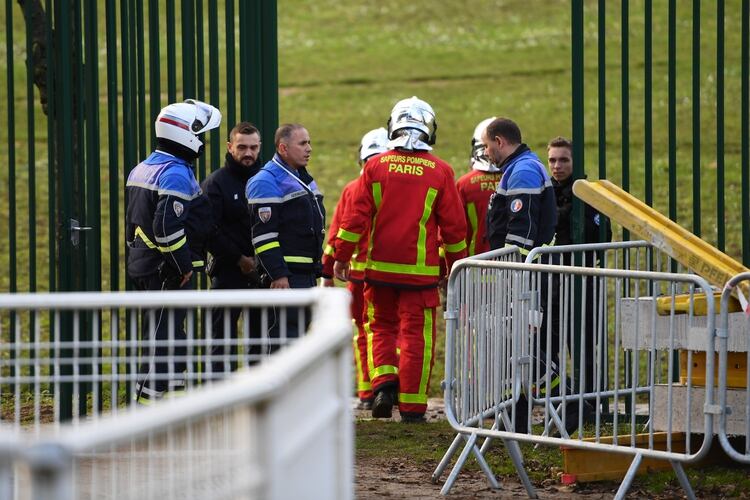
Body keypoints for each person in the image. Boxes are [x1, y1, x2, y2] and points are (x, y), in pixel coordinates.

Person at [333, 97, 467, 423]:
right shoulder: (441, 172)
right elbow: (454, 228)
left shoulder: (375, 167)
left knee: (380, 328)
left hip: (378, 271)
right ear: (428, 129)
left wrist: (340, 257)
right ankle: (412, 408)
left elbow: (354, 220)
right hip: (420, 275)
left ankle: (384, 384)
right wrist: (456, 266)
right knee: (416, 337)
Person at [125, 99, 221, 404]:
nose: (203, 141)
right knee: (163, 340)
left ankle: (169, 405)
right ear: (185, 133)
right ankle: (146, 410)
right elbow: (166, 227)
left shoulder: (145, 167)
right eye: (200, 134)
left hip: (145, 264)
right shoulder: (175, 173)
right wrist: (182, 265)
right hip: (165, 271)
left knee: (169, 337)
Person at [483, 117, 558, 433]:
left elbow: (521, 231)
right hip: (522, 274)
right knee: (516, 348)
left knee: (524, 349)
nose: (486, 153)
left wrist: (510, 270)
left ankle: (568, 399)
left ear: (500, 141)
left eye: (487, 146)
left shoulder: (523, 171)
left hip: (522, 276)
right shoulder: (520, 167)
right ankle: (516, 417)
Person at [322, 127, 389, 410]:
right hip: (389, 273)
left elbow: (338, 231)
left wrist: (327, 272)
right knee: (391, 330)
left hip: (356, 276)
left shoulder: (353, 189)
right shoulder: (399, 186)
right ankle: (390, 384)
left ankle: (367, 392)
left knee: (364, 333)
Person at [245, 124, 325, 349]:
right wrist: (278, 275)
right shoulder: (266, 181)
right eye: (302, 143)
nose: (309, 148)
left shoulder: (302, 177)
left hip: (304, 275)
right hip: (286, 279)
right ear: (283, 148)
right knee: (281, 344)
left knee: (297, 342)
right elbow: (263, 236)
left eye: (309, 142)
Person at [547, 136, 611, 396]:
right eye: (552, 160)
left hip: (582, 282)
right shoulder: (545, 192)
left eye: (564, 160)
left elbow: (604, 236)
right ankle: (556, 401)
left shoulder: (589, 194)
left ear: (575, 161)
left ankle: (588, 401)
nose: (557, 165)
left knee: (583, 347)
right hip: (550, 283)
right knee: (549, 348)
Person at [201, 122, 263, 374]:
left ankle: (256, 402)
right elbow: (208, 230)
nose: (248, 153)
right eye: (242, 147)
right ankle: (218, 401)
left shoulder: (266, 180)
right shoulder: (216, 183)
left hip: (261, 273)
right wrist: (239, 258)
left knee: (259, 342)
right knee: (220, 341)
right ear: (230, 147)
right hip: (227, 272)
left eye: (253, 148)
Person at [456, 117, 502, 256]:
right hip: (514, 270)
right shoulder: (518, 179)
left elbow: (456, 230)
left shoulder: (464, 184)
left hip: (474, 269)